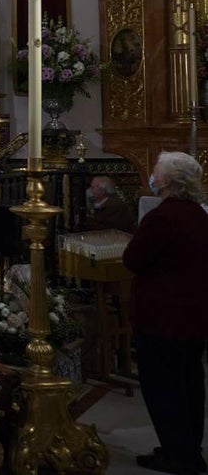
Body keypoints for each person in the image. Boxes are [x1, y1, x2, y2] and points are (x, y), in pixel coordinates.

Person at [122, 151, 208, 475]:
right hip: (193, 315)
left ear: (169, 180)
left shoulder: (162, 217)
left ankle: (177, 456)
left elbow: (133, 259)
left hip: (162, 316)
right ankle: (188, 448)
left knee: (163, 388)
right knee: (190, 384)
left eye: (157, 170)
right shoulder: (198, 214)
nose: (153, 174)